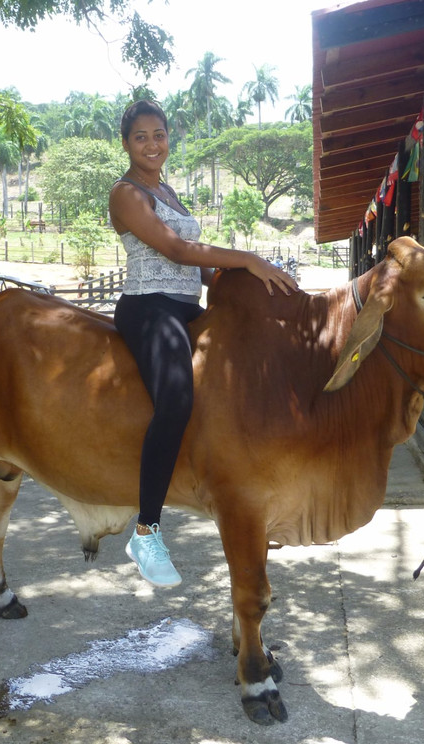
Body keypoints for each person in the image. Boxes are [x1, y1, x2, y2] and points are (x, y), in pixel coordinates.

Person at [108, 99, 298, 587]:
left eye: (159, 134)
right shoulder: (126, 194)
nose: (153, 144)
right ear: (126, 144)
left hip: (188, 304)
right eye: (141, 137)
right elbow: (174, 249)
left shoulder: (168, 190)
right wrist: (248, 257)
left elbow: (201, 269)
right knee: (175, 398)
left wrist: (256, 288)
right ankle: (146, 530)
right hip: (149, 307)